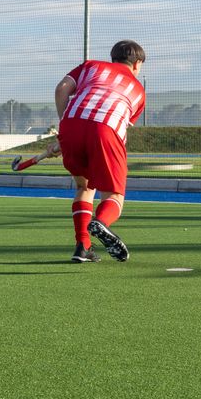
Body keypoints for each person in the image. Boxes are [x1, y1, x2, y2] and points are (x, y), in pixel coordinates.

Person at [55, 40, 146, 262]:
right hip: (105, 129)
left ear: (113, 58)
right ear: (137, 64)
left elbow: (62, 88)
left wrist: (65, 127)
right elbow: (118, 124)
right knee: (114, 195)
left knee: (84, 186)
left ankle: (83, 247)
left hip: (71, 124)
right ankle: (102, 222)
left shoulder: (90, 66)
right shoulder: (138, 90)